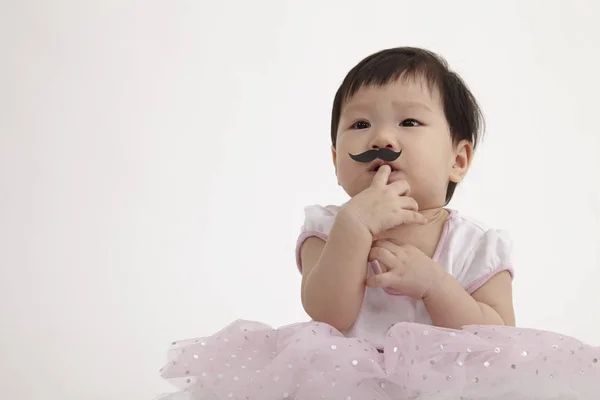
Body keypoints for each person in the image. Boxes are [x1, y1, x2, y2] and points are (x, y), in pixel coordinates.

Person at [156, 47, 599, 399]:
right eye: (361, 123)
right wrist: (354, 227)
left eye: (409, 122)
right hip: (342, 382)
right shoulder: (328, 228)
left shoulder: (475, 244)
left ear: (457, 160)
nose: (382, 139)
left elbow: (501, 339)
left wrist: (435, 285)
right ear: (335, 161)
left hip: (452, 386)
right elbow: (328, 312)